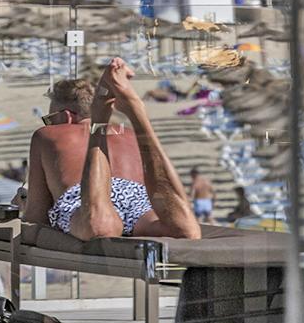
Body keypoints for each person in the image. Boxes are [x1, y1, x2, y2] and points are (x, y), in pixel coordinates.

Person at [23, 61, 200, 241]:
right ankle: (138, 114)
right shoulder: (128, 134)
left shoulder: (48, 135)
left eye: (50, 118)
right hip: (135, 195)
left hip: (84, 197)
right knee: (186, 232)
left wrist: (23, 208)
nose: (49, 124)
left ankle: (99, 121)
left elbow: (37, 214)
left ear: (66, 116)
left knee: (99, 228)